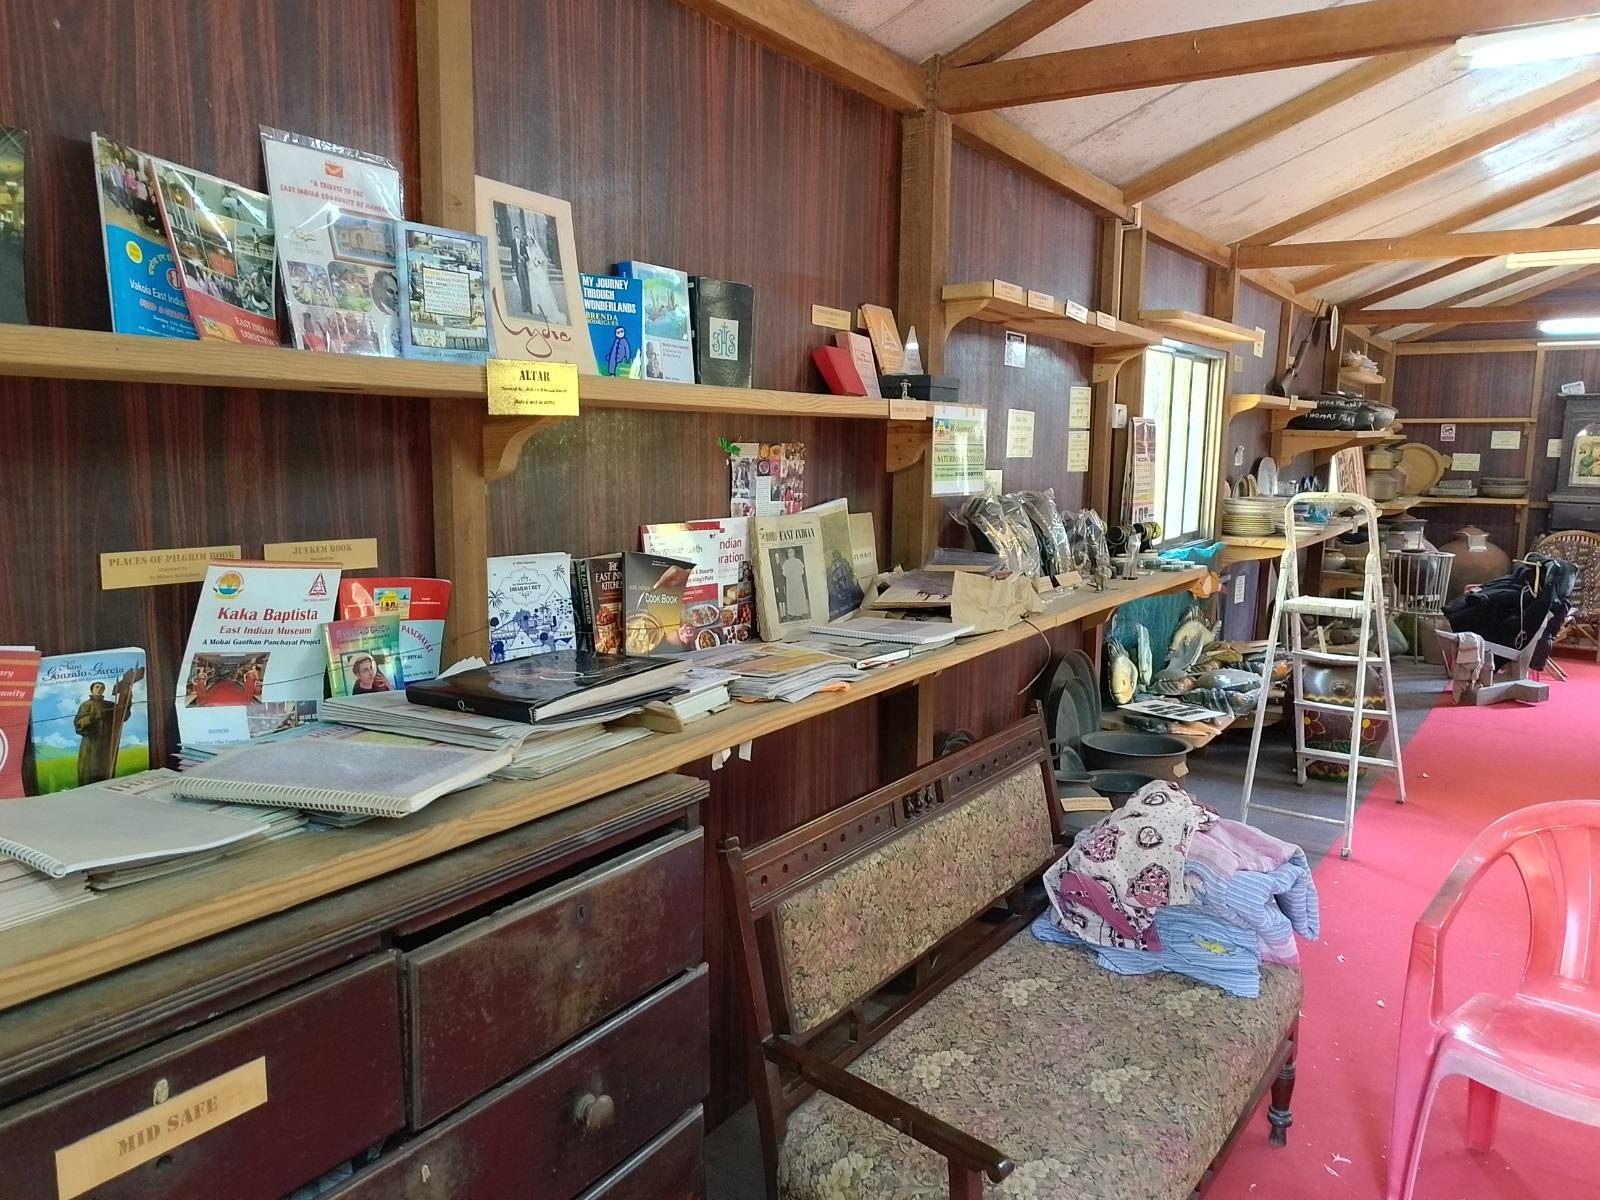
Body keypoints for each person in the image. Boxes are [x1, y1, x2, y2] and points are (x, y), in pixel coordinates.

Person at [72, 682, 118, 786]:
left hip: (106, 742)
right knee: (89, 767)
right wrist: (91, 717)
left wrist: (128, 700)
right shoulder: (86, 705)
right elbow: (78, 724)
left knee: (105, 768)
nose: (99, 689)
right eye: (97, 687)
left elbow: (122, 714)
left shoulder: (109, 705)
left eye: (102, 687)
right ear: (92, 689)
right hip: (91, 742)